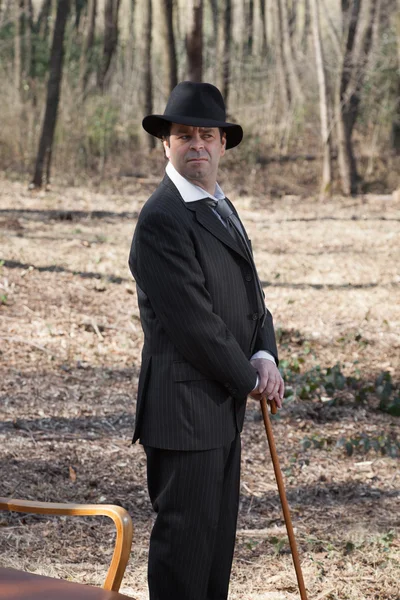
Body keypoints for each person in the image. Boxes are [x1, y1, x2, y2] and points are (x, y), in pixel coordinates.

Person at [128, 81, 284, 600]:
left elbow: (251, 294)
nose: (197, 144)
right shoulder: (161, 219)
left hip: (221, 407)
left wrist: (265, 356)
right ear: (165, 145)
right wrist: (251, 380)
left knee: (215, 554)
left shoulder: (221, 206)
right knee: (185, 559)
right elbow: (196, 325)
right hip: (184, 413)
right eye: (184, 134)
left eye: (207, 134)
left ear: (222, 144)